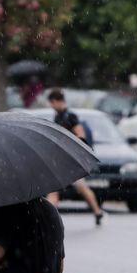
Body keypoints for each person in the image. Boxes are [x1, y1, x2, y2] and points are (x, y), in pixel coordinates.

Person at [46, 89, 105, 225]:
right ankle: (97, 212)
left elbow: (80, 135)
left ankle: (97, 212)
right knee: (56, 189)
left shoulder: (70, 116)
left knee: (78, 188)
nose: (52, 106)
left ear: (58, 101)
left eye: (52, 102)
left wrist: (76, 154)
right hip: (62, 160)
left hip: (70, 160)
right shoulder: (59, 116)